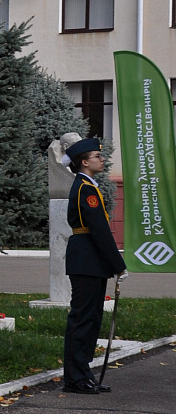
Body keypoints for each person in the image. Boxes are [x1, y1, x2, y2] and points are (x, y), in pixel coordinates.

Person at [62, 137, 126, 394]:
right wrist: (118, 265)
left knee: (91, 319)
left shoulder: (88, 185)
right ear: (85, 162)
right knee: (82, 319)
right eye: (97, 157)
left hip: (91, 260)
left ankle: (83, 373)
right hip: (86, 258)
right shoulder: (85, 188)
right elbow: (99, 230)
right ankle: (75, 378)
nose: (102, 159)